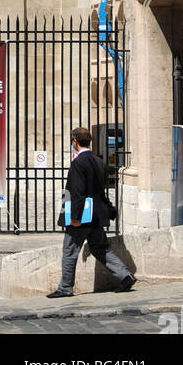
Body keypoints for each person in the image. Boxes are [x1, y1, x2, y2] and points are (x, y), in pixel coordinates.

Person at [47, 127, 135, 299]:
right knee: (100, 248)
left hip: (82, 217)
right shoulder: (98, 161)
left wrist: (75, 218)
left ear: (75, 141)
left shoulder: (79, 163)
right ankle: (125, 276)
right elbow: (100, 190)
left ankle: (65, 287)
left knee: (70, 250)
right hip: (96, 215)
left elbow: (78, 192)